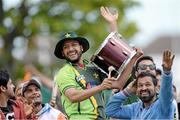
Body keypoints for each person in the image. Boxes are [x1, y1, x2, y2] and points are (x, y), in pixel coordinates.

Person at [106, 50, 175, 119]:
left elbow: (167, 93)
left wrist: (167, 72)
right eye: (140, 85)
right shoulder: (135, 109)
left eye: (148, 84)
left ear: (156, 86)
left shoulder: (164, 105)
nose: (144, 88)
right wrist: (127, 92)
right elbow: (110, 111)